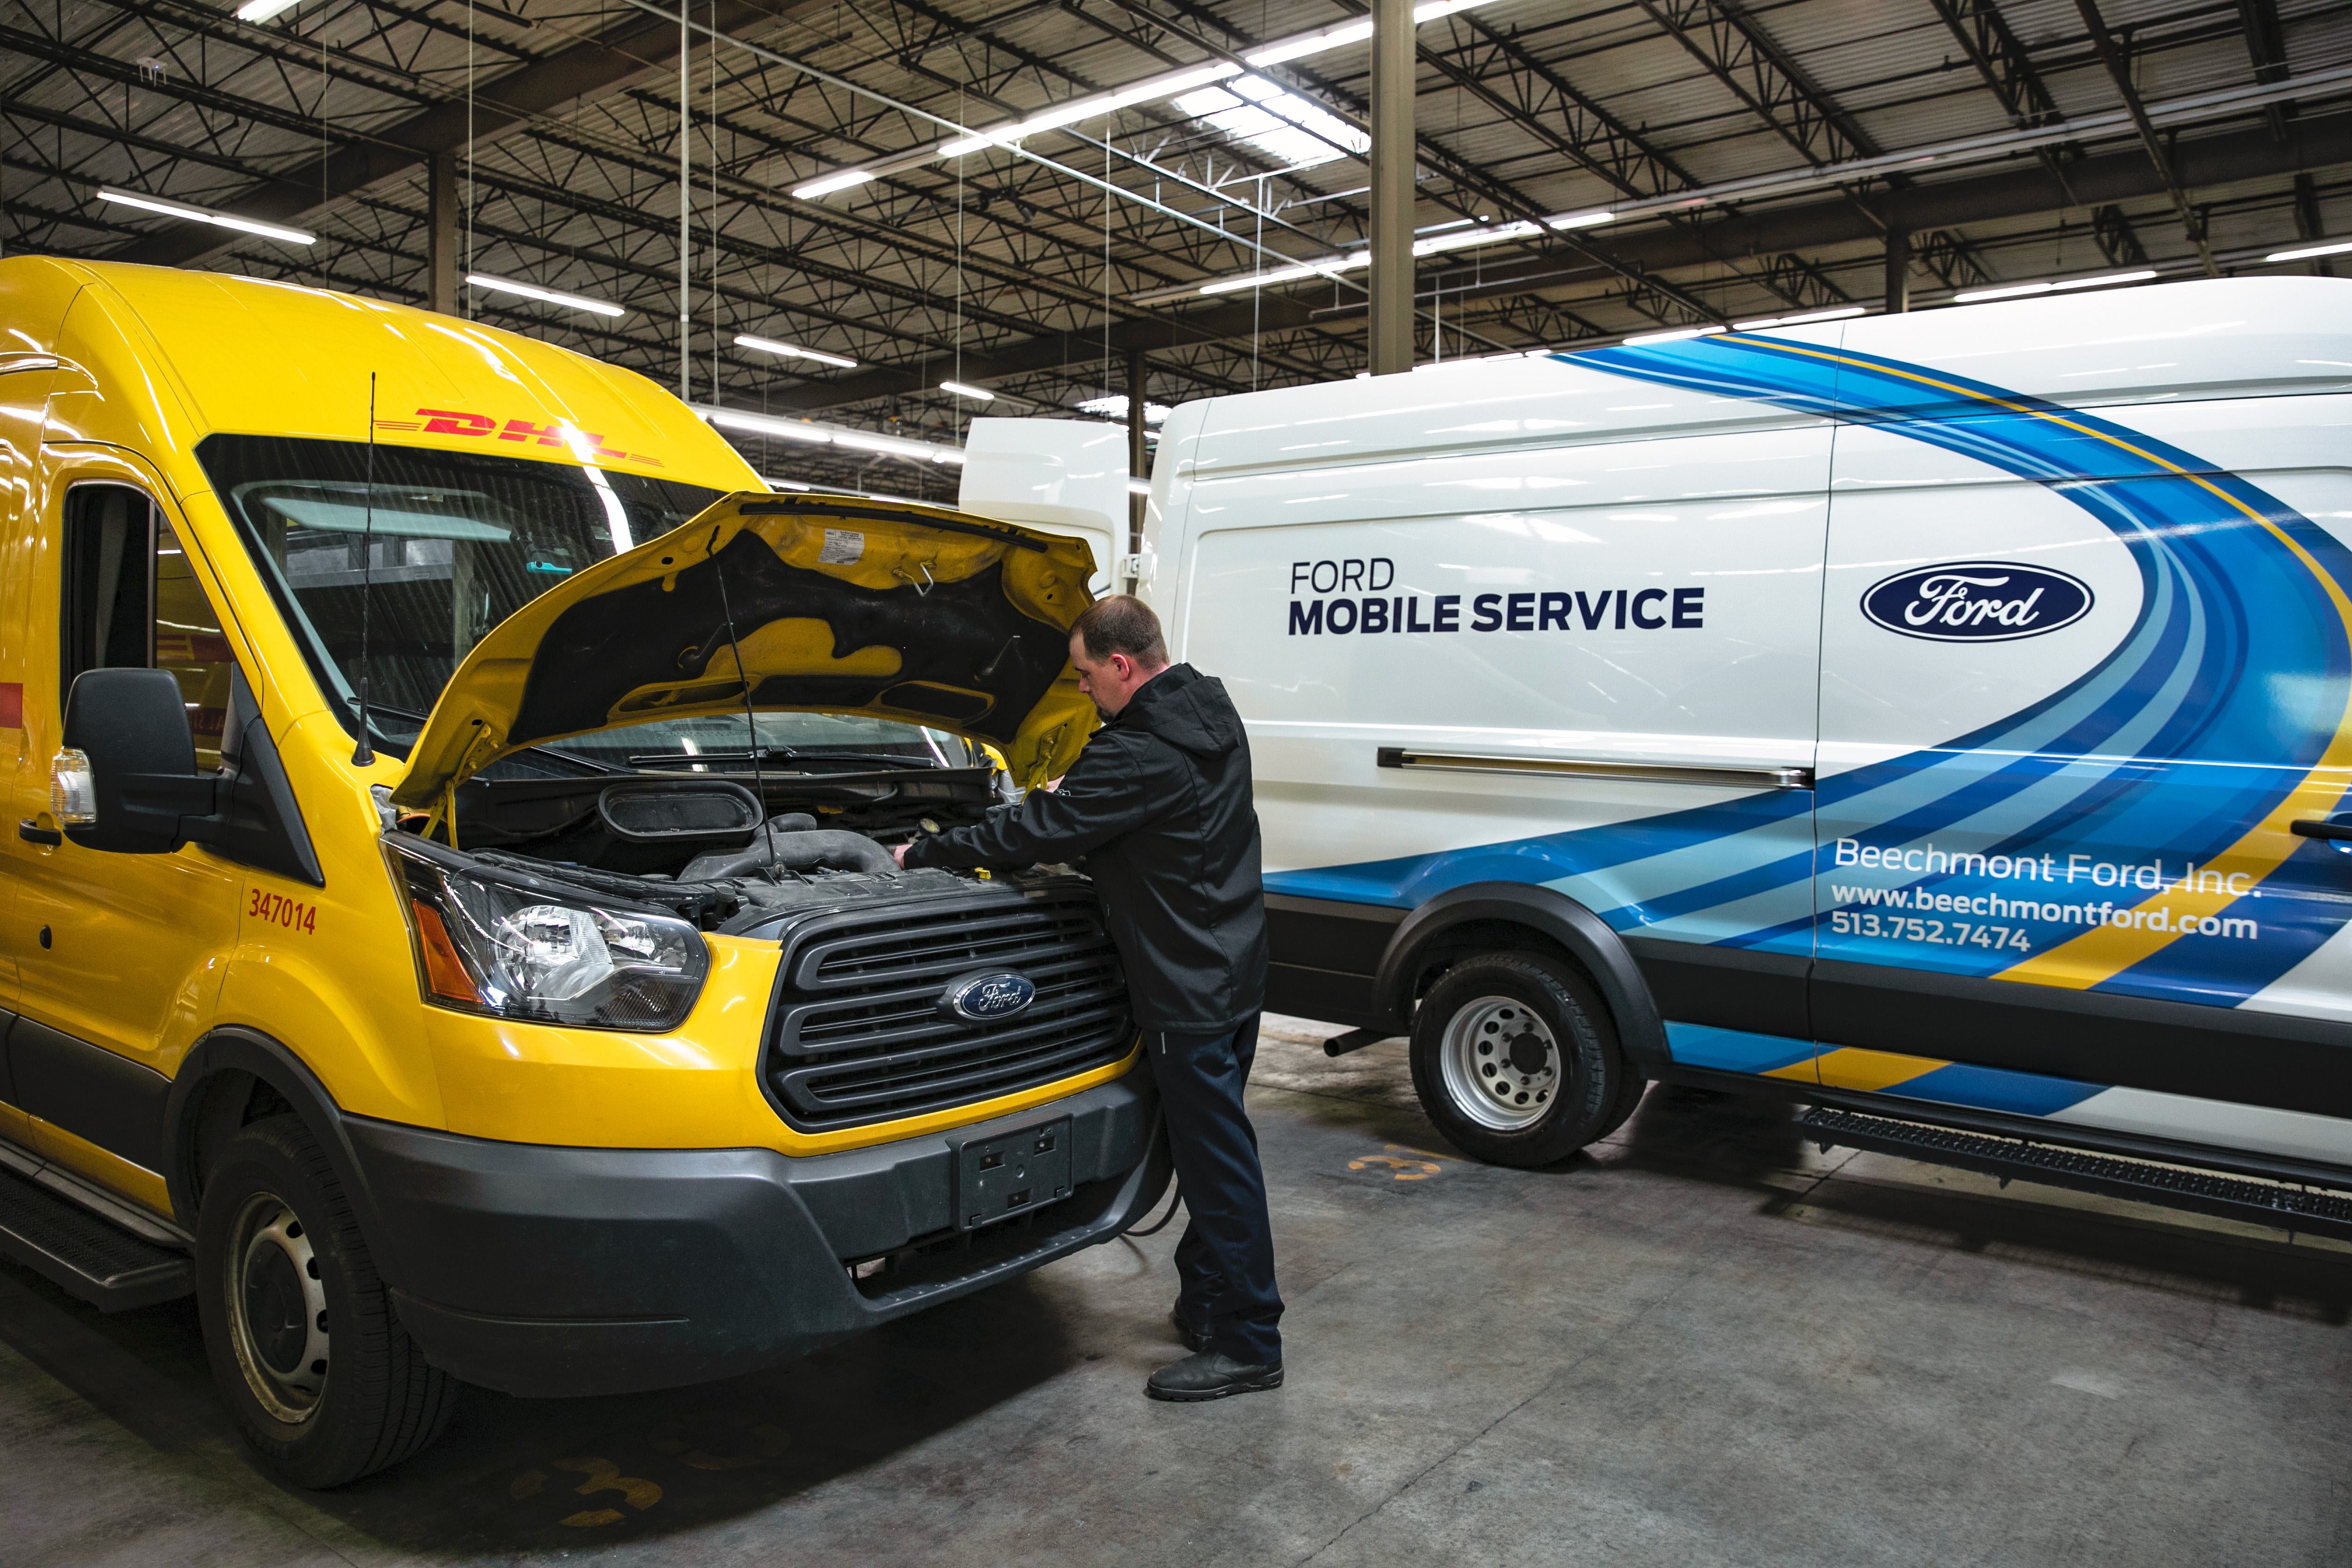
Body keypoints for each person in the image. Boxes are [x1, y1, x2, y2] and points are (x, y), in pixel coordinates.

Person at [894, 595, 1282, 1401]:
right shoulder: (1210, 707)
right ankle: (1211, 1303)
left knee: (1218, 1167)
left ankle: (1249, 1341)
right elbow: (1145, 807)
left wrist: (924, 850)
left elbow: (1030, 836)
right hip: (1237, 966)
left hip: (1185, 988)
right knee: (1214, 1152)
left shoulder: (1137, 754)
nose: (1080, 693)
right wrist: (1089, 786)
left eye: (1084, 677)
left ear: (1121, 665)